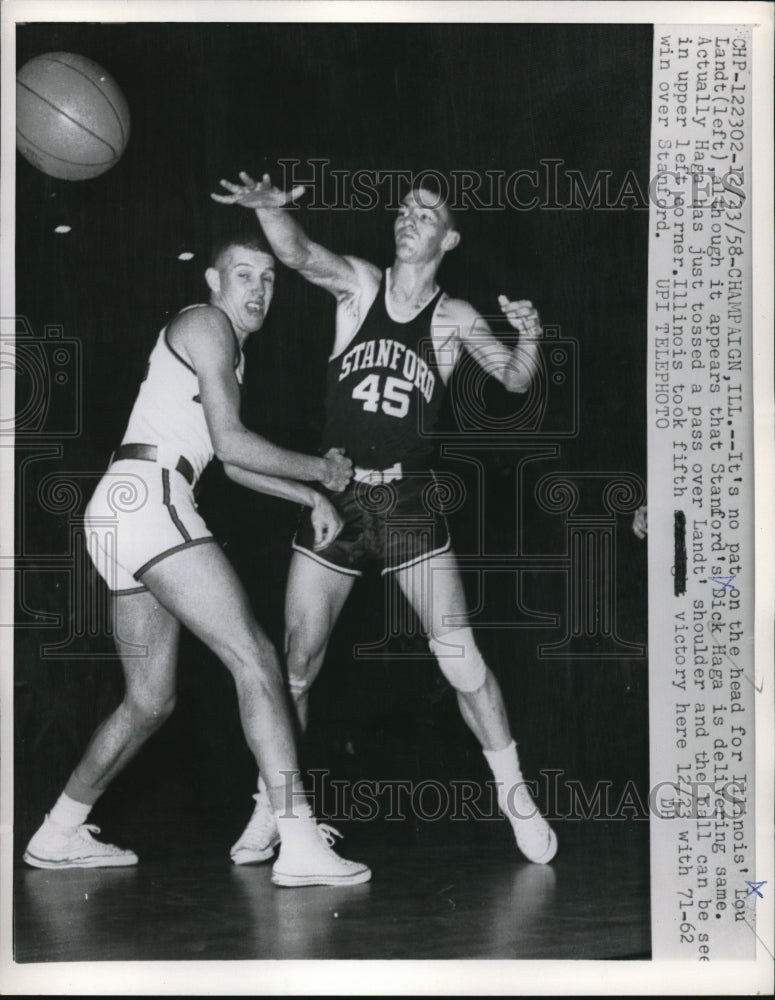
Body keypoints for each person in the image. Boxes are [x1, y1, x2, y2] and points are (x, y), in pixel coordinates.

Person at [214, 172, 558, 867]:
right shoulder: (362, 287)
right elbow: (301, 254)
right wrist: (272, 213)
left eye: (426, 212)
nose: (409, 217)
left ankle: (516, 797)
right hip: (338, 494)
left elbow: (515, 379)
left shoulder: (453, 315)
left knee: (459, 660)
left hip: (406, 499)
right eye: (404, 207)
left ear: (448, 238)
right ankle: (270, 808)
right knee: (297, 666)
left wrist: (530, 336)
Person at [23, 227, 371, 887]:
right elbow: (234, 444)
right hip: (149, 496)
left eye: (269, 279)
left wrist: (304, 493)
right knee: (257, 659)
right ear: (213, 282)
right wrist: (322, 471)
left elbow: (229, 463)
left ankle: (58, 831)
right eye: (244, 274)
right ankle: (296, 841)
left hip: (124, 506)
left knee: (150, 700)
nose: (258, 290)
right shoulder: (207, 325)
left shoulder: (228, 352)